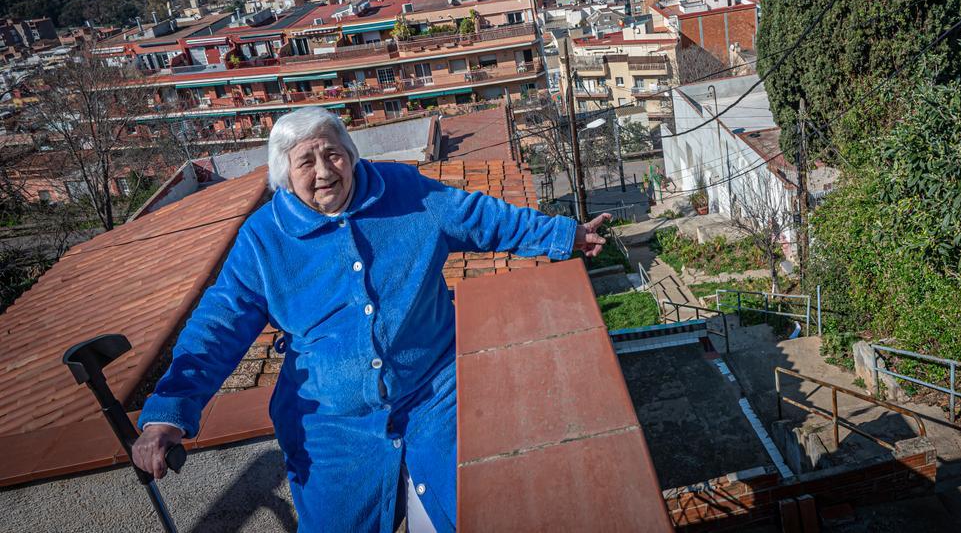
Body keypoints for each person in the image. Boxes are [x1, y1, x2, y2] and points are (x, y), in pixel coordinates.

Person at [132, 107, 609, 532]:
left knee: (470, 508)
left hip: (434, 396)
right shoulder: (263, 240)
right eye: (306, 162)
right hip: (330, 423)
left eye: (333, 154)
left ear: (351, 153)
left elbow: (479, 217)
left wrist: (564, 235)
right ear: (284, 175)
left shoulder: (403, 191)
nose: (324, 172)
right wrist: (167, 413)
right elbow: (218, 326)